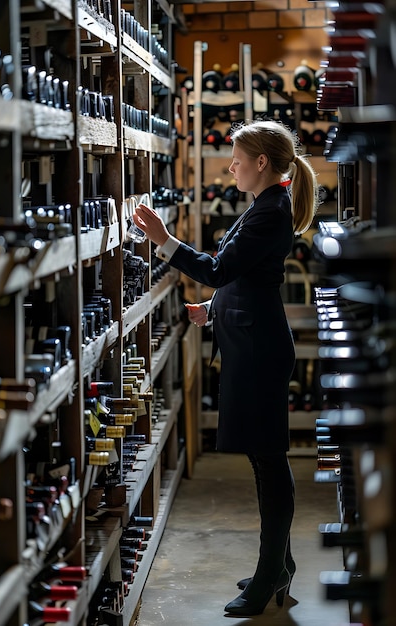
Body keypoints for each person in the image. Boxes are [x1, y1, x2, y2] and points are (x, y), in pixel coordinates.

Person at [133, 119, 319, 617]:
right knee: (263, 458)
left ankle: (268, 577)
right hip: (249, 341)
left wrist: (165, 240)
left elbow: (218, 268)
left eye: (237, 158)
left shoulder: (271, 211)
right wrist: (212, 309)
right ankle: (277, 565)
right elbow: (247, 277)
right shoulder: (264, 205)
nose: (229, 165)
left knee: (269, 459)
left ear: (262, 163)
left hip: (259, 351)